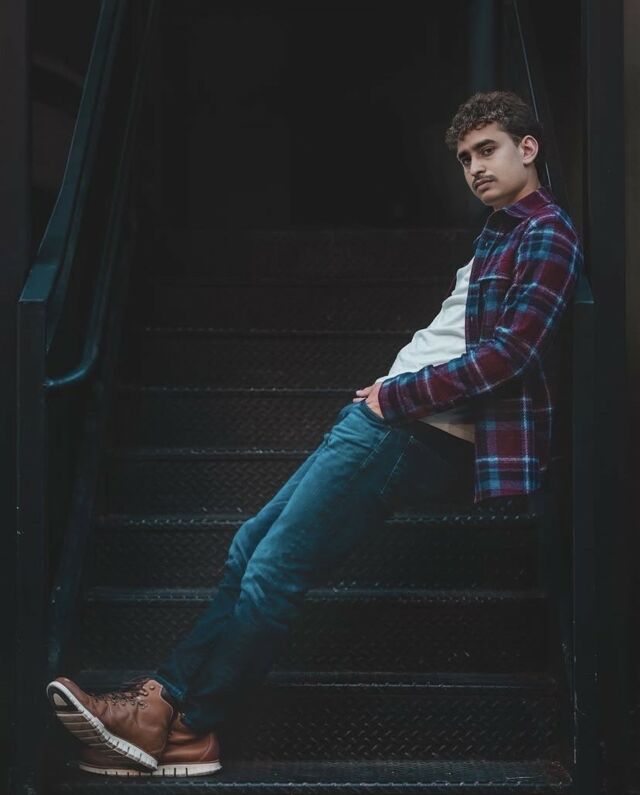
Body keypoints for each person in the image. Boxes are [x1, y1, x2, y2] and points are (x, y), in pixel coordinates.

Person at [45, 89, 583, 778]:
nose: (475, 167)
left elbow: (511, 354)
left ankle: (193, 728)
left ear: (528, 148)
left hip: (410, 430)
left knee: (274, 571)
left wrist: (395, 396)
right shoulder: (502, 231)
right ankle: (160, 702)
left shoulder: (548, 235)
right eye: (464, 158)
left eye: (488, 150)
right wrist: (385, 399)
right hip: (385, 421)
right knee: (249, 547)